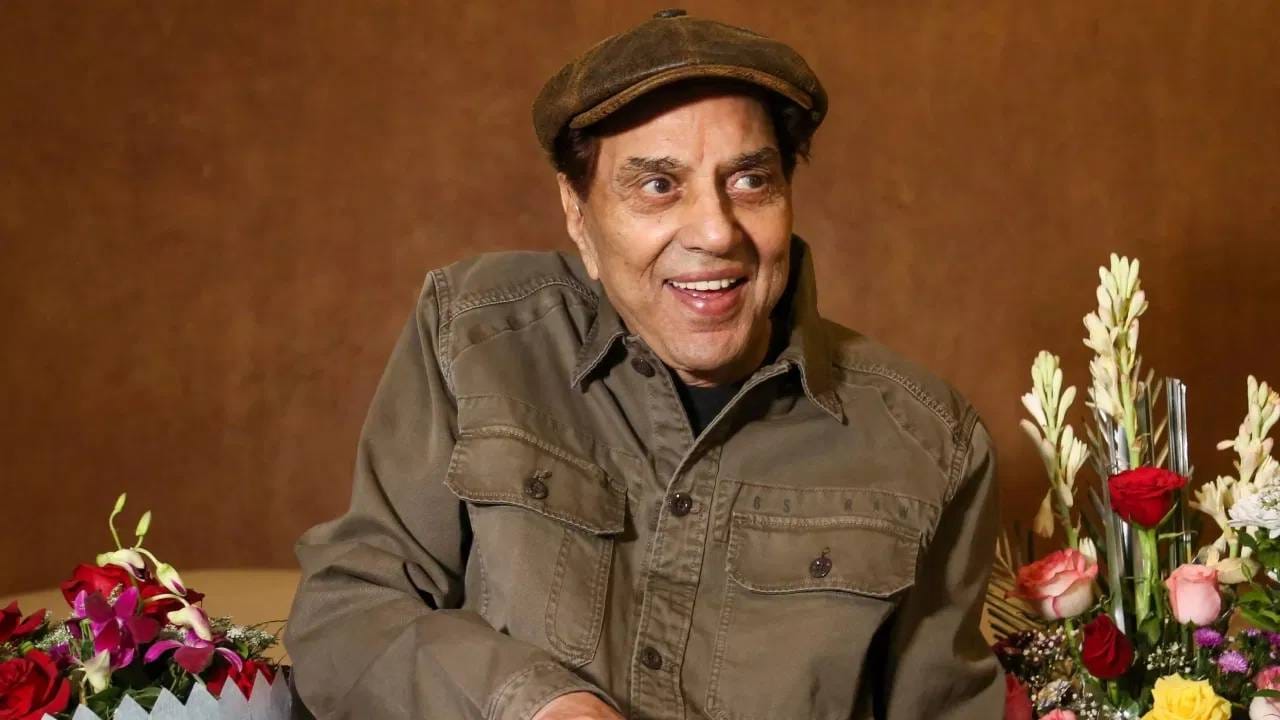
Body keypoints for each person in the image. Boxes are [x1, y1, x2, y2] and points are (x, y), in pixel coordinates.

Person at [286, 9, 1003, 719]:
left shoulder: (931, 443)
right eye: (659, 185)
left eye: (750, 181)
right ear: (577, 213)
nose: (715, 231)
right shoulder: (477, 336)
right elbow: (349, 613)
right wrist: (533, 703)